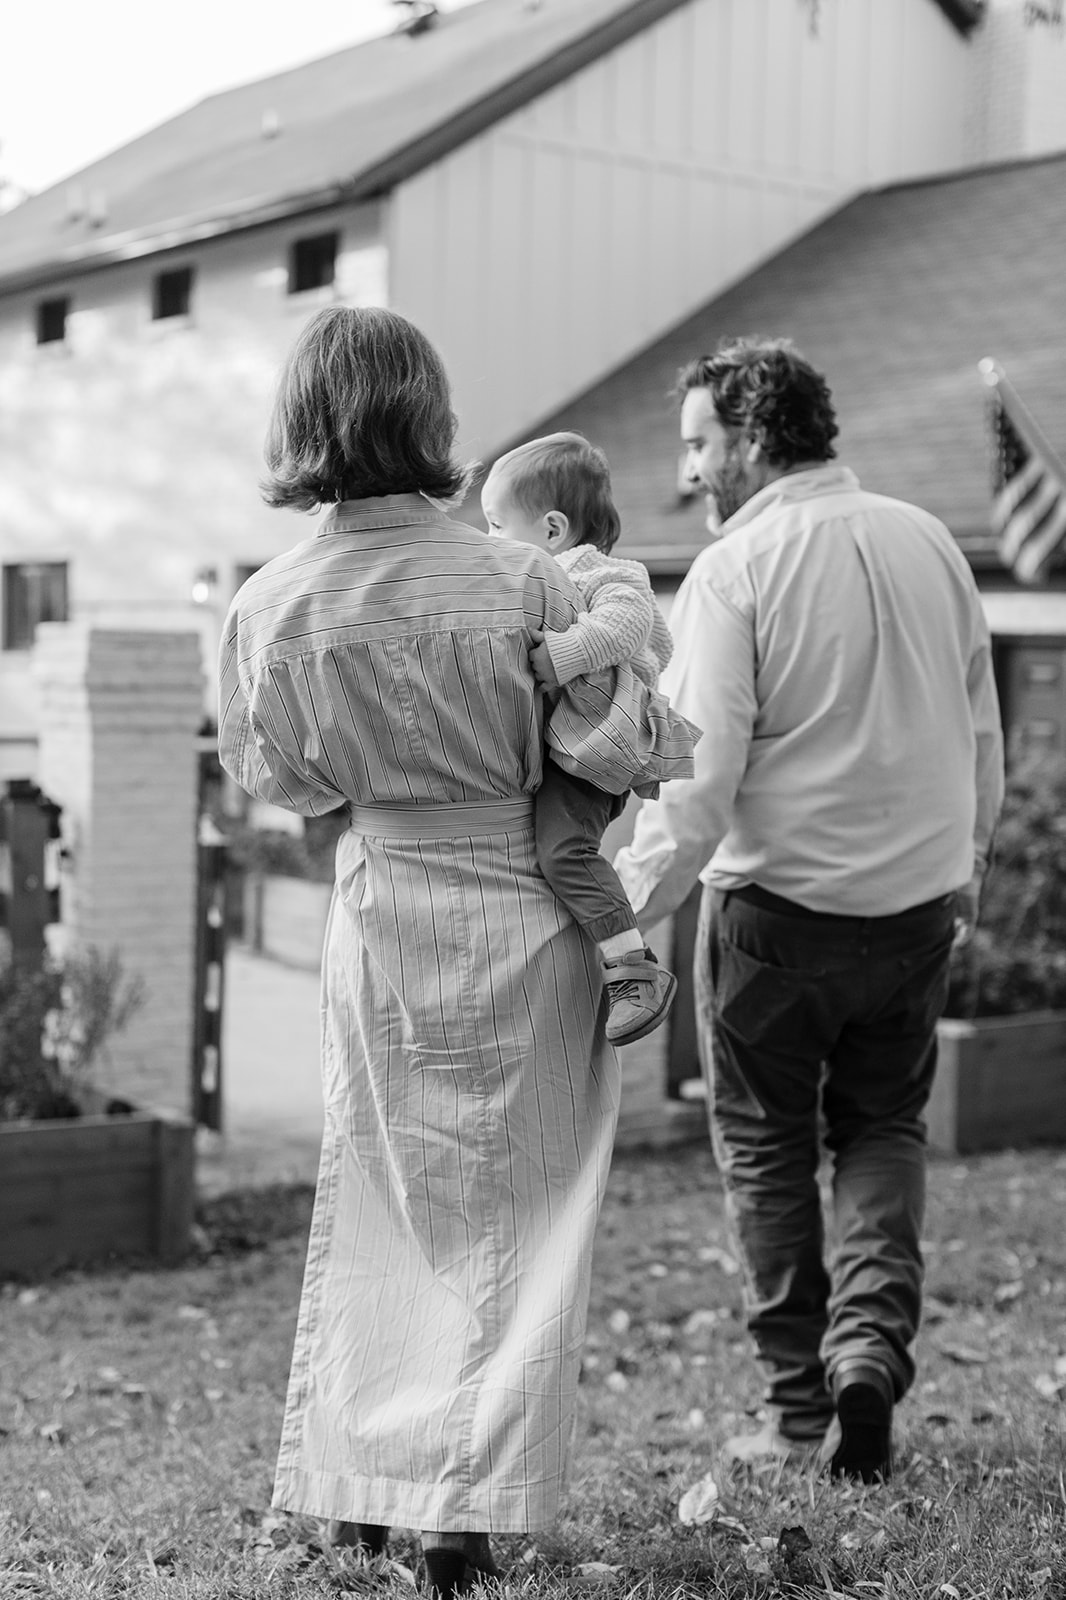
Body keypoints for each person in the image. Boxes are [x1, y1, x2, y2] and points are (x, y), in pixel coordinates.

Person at [218, 307, 672, 1596]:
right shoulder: (525, 580)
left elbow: (290, 786)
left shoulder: (268, 606)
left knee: (381, 1200)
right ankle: (454, 1515)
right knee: (520, 1221)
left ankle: (367, 1487)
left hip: (384, 910)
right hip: (532, 913)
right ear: (427, 412)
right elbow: (600, 749)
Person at [614, 337, 1004, 1482]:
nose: (690, 473)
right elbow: (980, 729)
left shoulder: (735, 571)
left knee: (767, 1151)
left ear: (746, 437)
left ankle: (795, 1411)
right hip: (916, 910)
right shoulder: (930, 538)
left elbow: (694, 788)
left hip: (771, 922)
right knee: (882, 1129)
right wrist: (964, 864)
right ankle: (868, 1354)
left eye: (697, 446)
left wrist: (619, 914)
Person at [480, 431, 700, 1045]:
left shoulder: (601, 572)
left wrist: (561, 657)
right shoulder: (542, 578)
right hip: (572, 744)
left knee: (563, 852)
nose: (490, 541)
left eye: (497, 526)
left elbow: (631, 627)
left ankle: (633, 969)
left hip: (598, 747)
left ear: (552, 530)